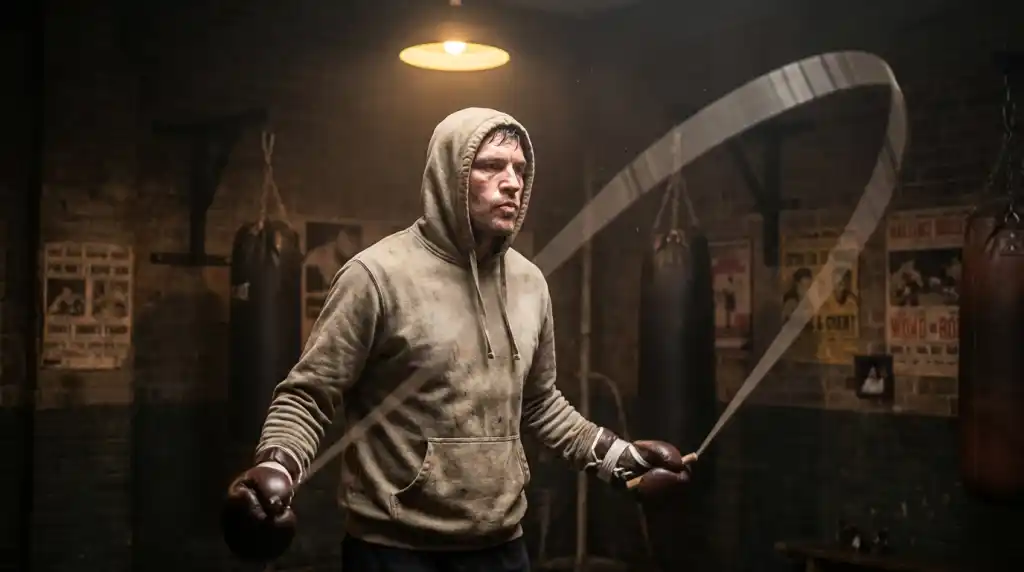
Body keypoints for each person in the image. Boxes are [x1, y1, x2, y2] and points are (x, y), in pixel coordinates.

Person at [221, 108, 697, 571]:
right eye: (491, 166)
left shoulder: (530, 284)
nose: (512, 182)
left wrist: (619, 458)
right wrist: (276, 468)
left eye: (519, 169)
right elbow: (310, 394)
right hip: (393, 549)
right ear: (451, 176)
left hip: (501, 544)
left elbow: (541, 403)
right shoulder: (376, 276)